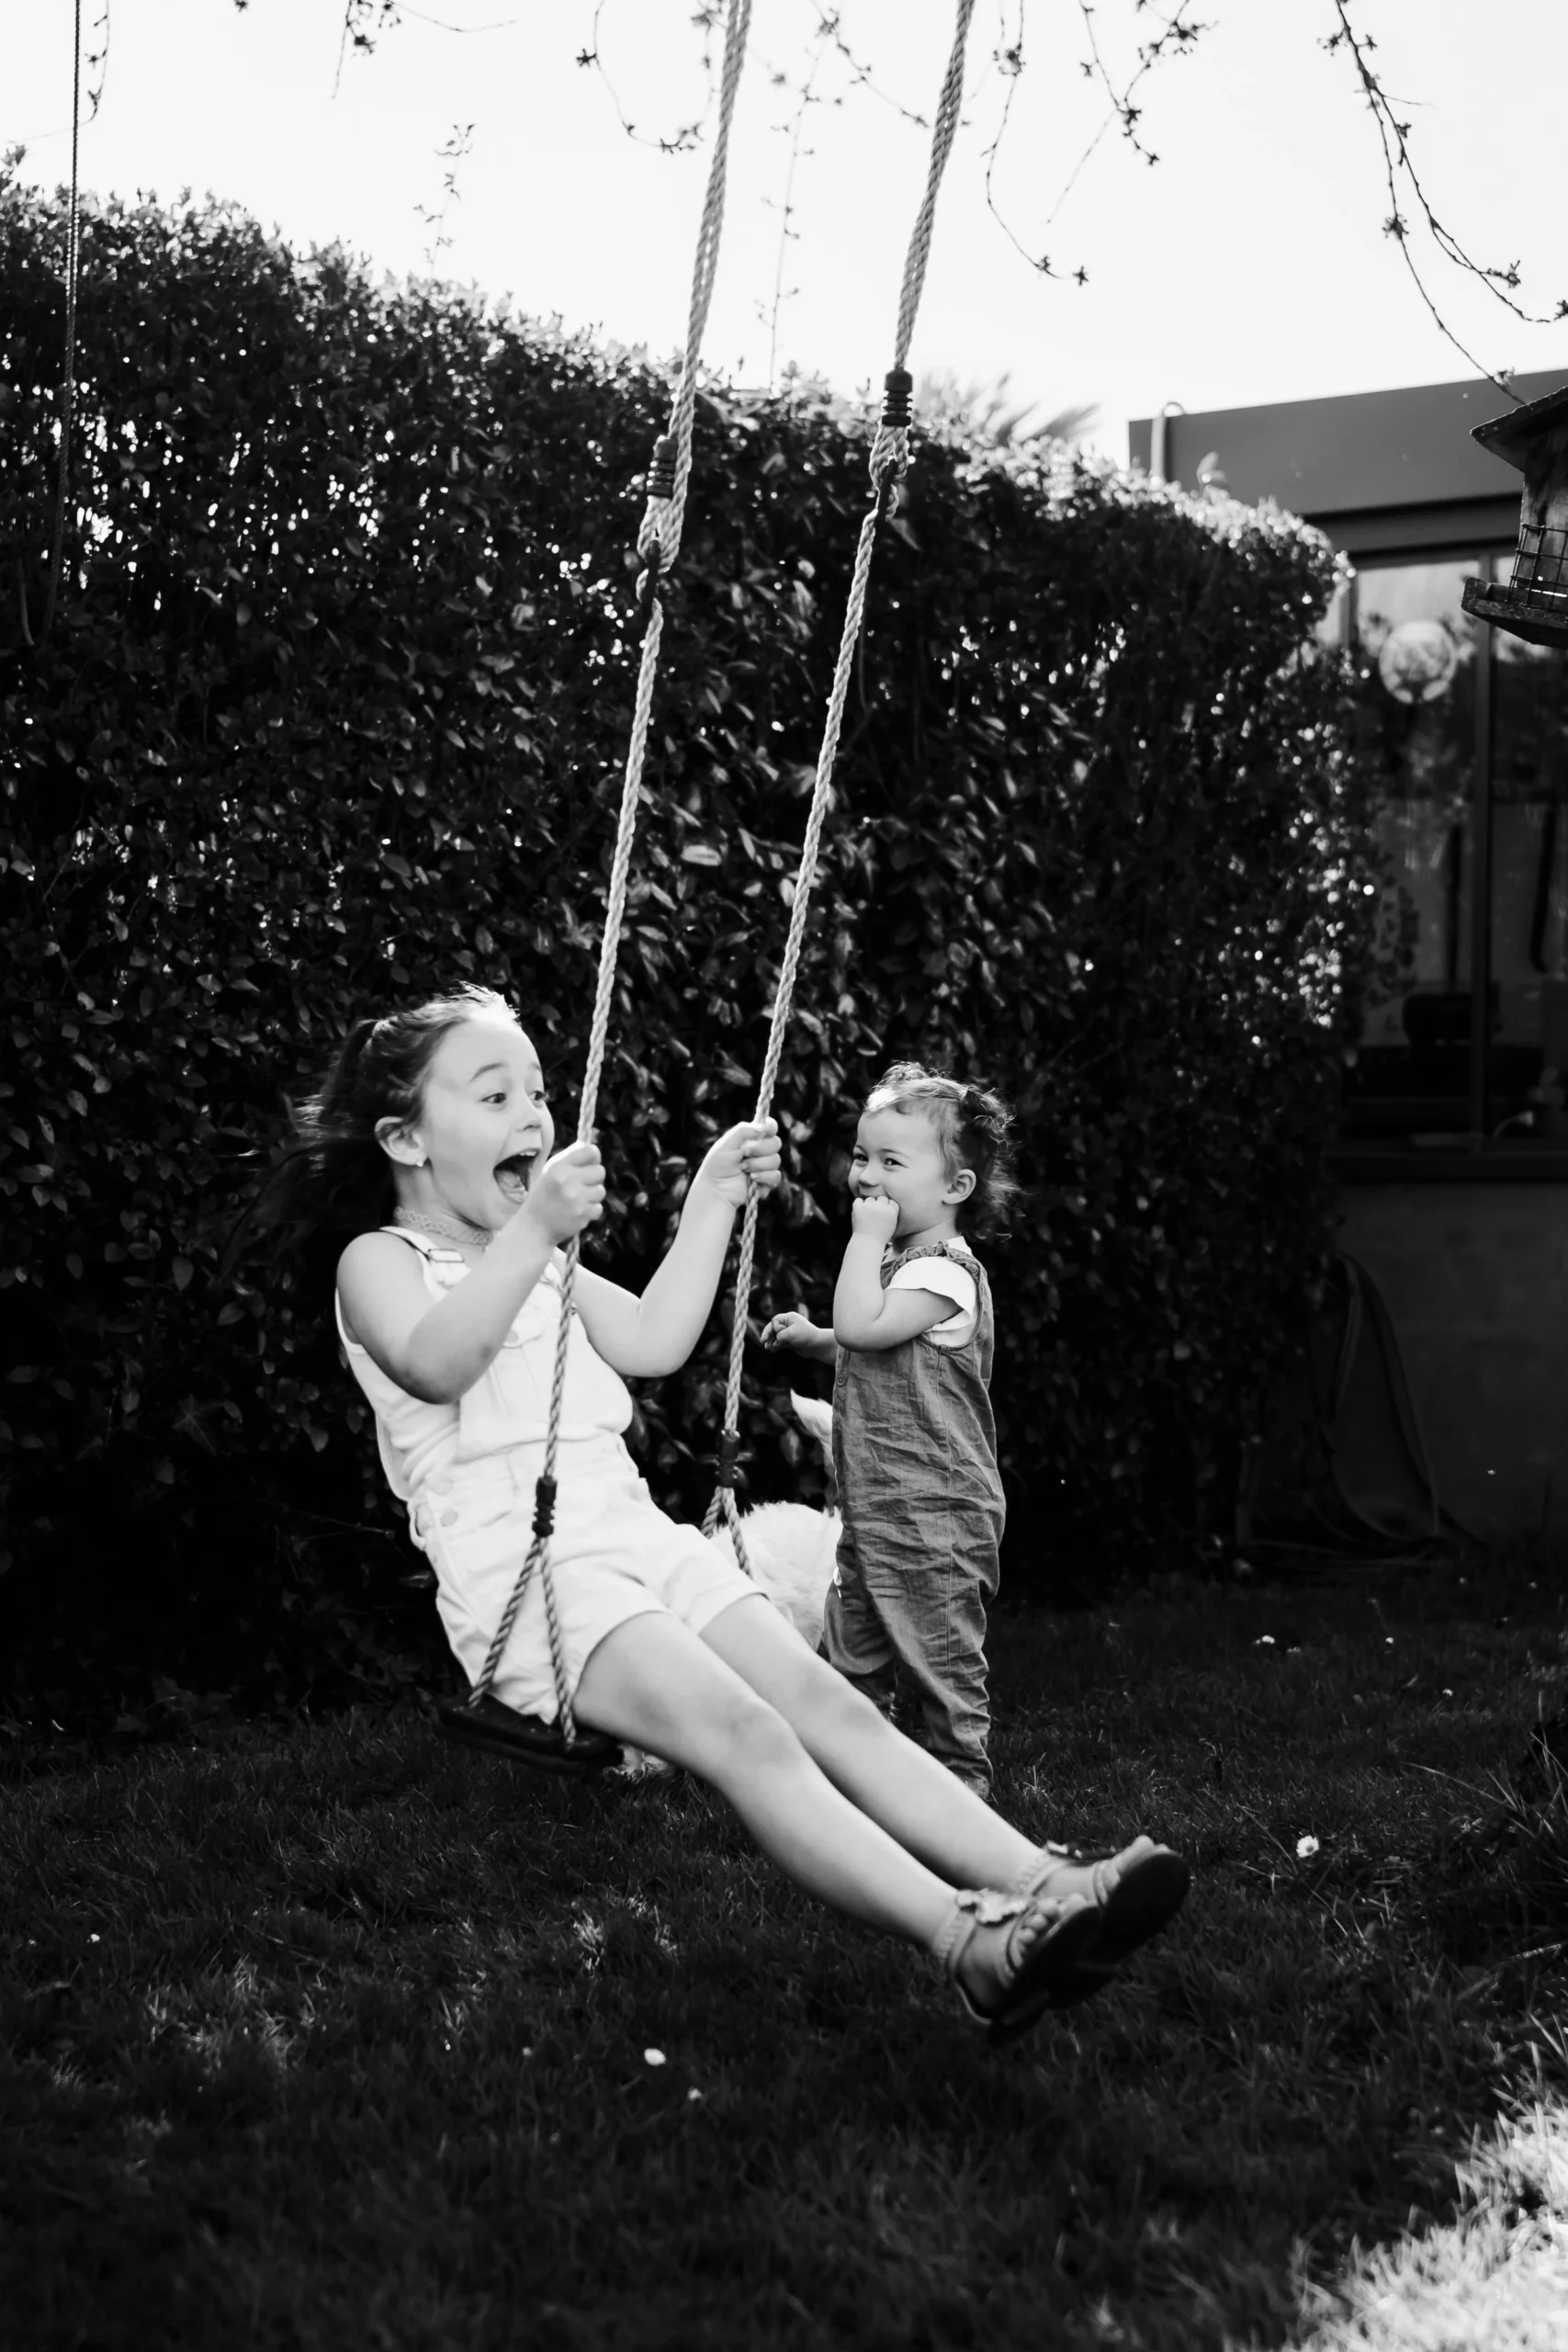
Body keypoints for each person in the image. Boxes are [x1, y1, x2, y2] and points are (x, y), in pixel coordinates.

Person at [266, 986, 1189, 2042]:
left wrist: (708, 1199)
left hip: (635, 1535)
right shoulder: (380, 1262)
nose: (533, 1115)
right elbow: (437, 1362)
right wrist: (532, 1232)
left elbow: (656, 1337)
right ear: (404, 1137)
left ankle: (1045, 1880)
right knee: (749, 1733)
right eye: (494, 1095)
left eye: (538, 1092)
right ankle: (970, 1943)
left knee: (831, 1703)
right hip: (534, 1582)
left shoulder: (539, 1259)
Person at [762, 1063, 1011, 1801]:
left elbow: (870, 1328)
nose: (865, 1176)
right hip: (875, 1511)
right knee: (853, 1657)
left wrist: (861, 1244)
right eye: (863, 1157)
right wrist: (817, 1338)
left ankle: (961, 1796)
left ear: (954, 1188)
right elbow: (870, 1340)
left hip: (936, 1514)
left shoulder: (945, 1273)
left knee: (939, 1666)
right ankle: (855, 1786)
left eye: (891, 1162)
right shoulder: (905, 1270)